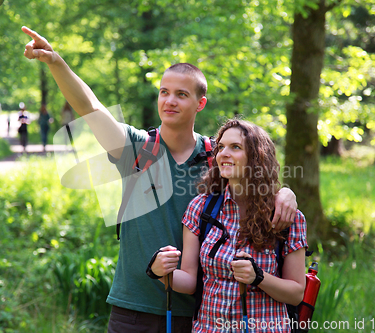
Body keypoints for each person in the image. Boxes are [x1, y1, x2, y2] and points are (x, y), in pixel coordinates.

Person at [22, 26, 298, 333]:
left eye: (181, 94)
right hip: (132, 308)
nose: (170, 101)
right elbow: (91, 108)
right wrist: (56, 63)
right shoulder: (136, 149)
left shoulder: (217, 159)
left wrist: (285, 192)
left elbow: (257, 186)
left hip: (198, 313)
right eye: (164, 92)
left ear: (200, 103)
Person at [151, 119, 307, 332]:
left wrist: (258, 277)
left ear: (257, 157)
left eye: (235, 147)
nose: (224, 153)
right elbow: (189, 281)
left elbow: (296, 293)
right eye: (221, 147)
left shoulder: (285, 216)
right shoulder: (201, 208)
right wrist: (160, 272)